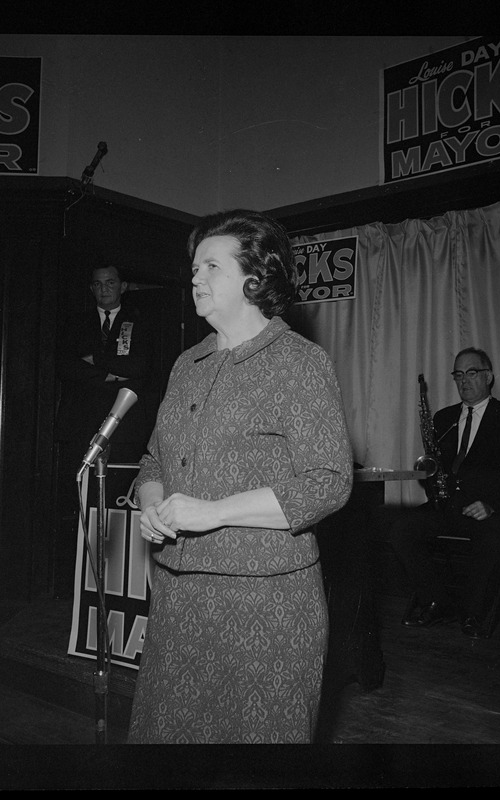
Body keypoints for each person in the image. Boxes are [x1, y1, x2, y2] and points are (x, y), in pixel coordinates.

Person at [126, 209, 353, 744]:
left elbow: (328, 481)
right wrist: (154, 503)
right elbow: (154, 459)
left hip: (264, 606)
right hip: (180, 603)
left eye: (211, 266)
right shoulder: (189, 365)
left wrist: (211, 513)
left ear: (254, 279)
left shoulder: (299, 362)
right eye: (194, 267)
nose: (195, 277)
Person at [389, 347, 500, 638]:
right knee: (400, 529)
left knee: (495, 538)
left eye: (472, 373)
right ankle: (437, 599)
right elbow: (435, 468)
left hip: (491, 511)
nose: (464, 381)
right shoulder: (443, 418)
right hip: (448, 507)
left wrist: (492, 505)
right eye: (458, 375)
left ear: (489, 376)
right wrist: (430, 480)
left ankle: (474, 612)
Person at [52, 264, 157, 598]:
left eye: (110, 283)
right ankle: (79, 588)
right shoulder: (76, 322)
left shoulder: (139, 320)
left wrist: (94, 359)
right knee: (80, 506)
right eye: (97, 284)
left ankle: (114, 585)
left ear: (123, 286)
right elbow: (65, 365)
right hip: (81, 427)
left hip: (124, 431)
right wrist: (111, 373)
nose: (104, 290)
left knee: (116, 505)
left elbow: (139, 367)